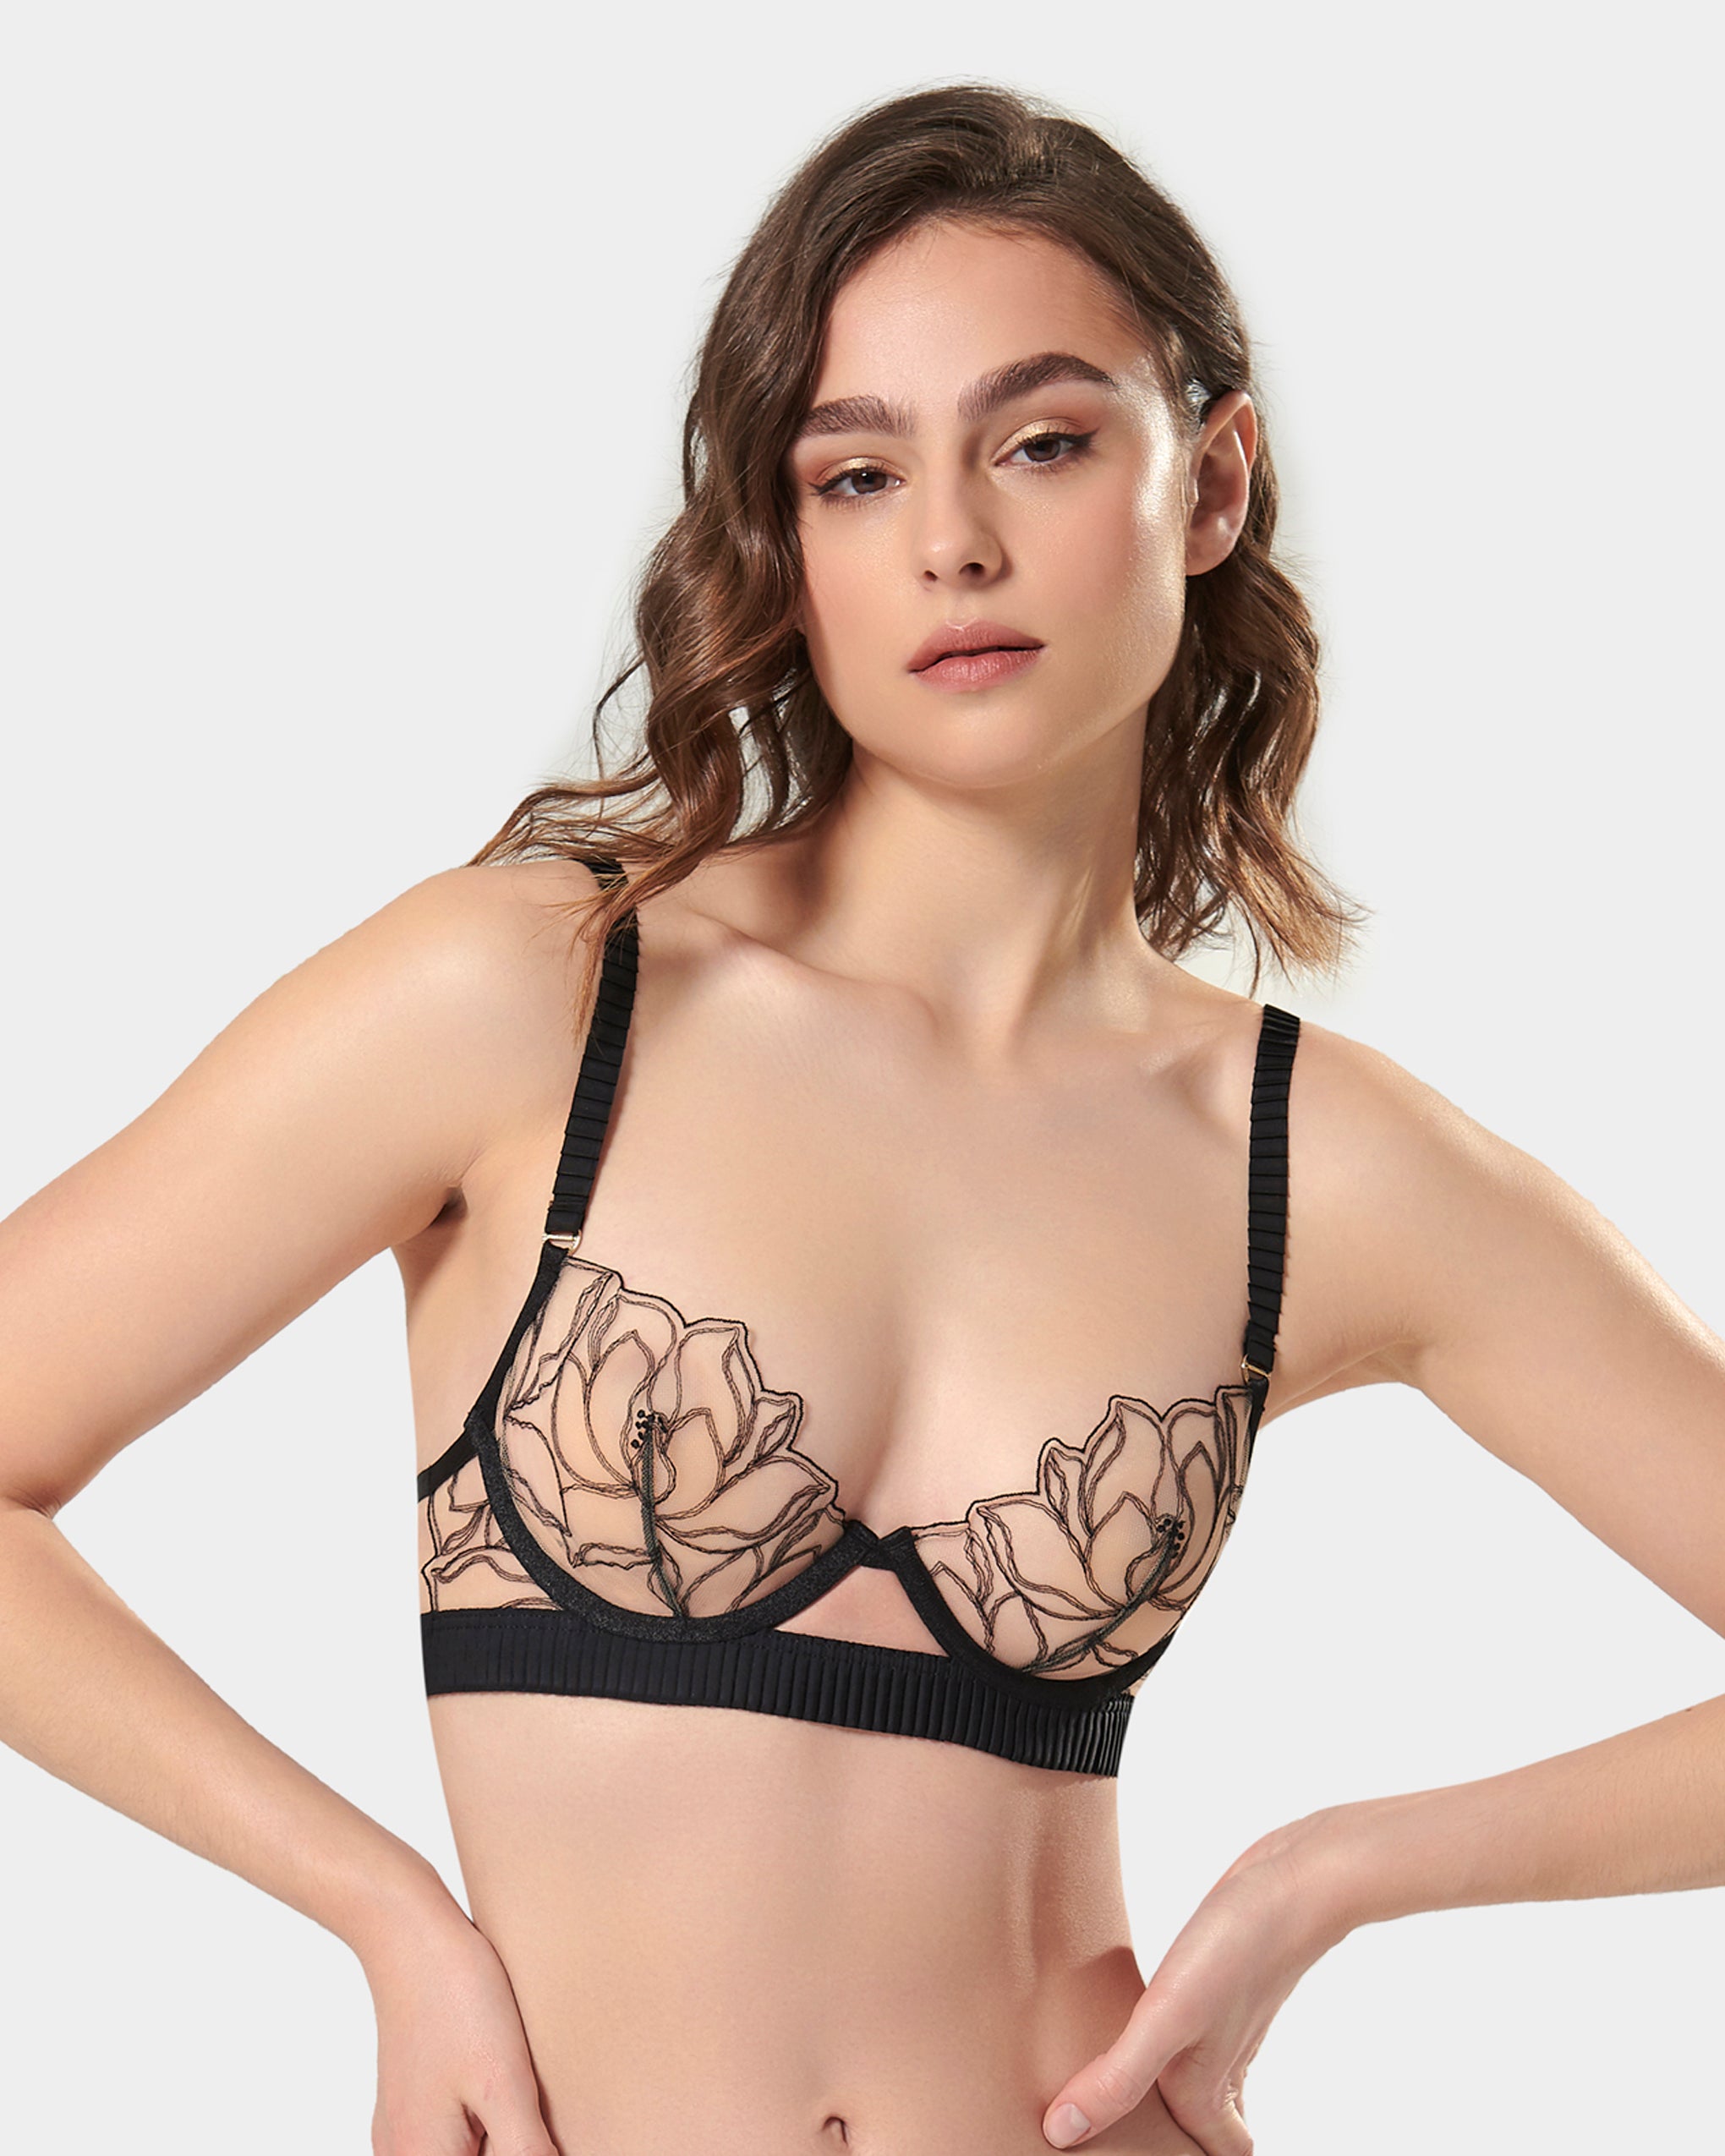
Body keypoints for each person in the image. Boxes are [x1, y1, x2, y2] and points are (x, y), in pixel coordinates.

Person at [2, 79, 1721, 2156]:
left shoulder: (1319, 1162)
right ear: (784, 534)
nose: (951, 543)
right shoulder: (536, 1000)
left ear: (1210, 480)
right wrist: (385, 1919)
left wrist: (1337, 1872)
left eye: (1044, 441)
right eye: (856, 472)